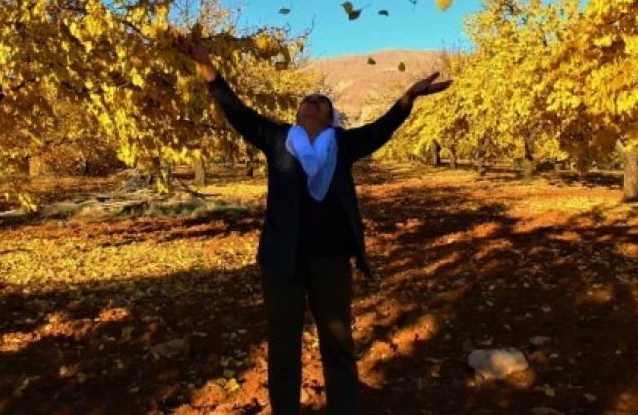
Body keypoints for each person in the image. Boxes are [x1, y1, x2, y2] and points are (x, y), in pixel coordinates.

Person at [179, 38, 451, 415]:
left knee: (337, 342)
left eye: (321, 101)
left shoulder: (341, 144)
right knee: (283, 344)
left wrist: (407, 98)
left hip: (331, 260)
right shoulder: (277, 139)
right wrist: (208, 69)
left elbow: (380, 130)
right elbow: (236, 111)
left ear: (329, 117)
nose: (312, 101)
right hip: (281, 263)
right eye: (307, 99)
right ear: (298, 112)